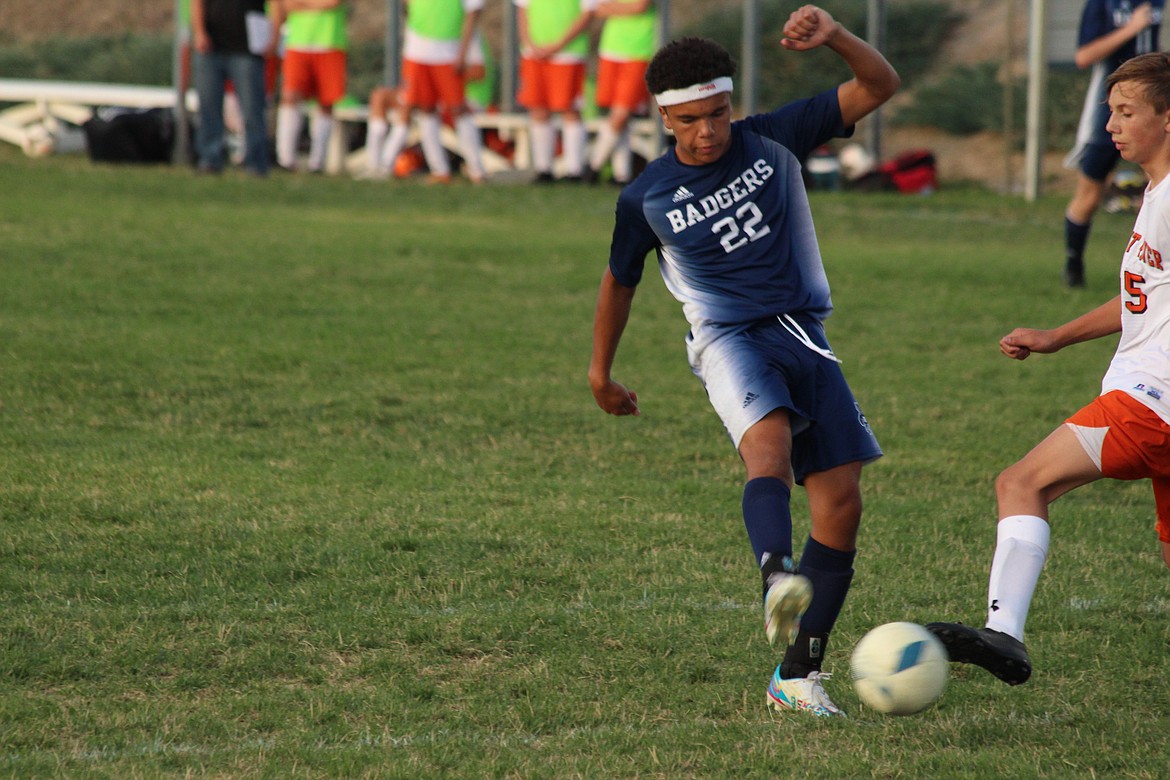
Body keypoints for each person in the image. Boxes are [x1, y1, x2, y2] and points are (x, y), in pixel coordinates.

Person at [588, 6, 898, 717]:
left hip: (806, 337)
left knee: (842, 503)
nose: (709, 131)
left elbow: (878, 85)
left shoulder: (774, 140)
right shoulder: (646, 199)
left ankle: (796, 678)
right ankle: (774, 574)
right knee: (768, 449)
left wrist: (837, 39)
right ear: (665, 118)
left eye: (719, 113)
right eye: (692, 119)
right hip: (730, 338)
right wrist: (600, 372)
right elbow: (619, 282)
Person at [928, 52, 1170, 685]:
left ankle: (1004, 635)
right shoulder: (1154, 191)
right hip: (1155, 405)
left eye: (1127, 112)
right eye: (1109, 112)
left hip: (1148, 405)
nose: (1112, 126)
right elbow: (1144, 294)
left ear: (1169, 119)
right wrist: (1057, 336)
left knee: (1021, 484)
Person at [1061, 0, 1162, 288]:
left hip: (1152, 108)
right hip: (1110, 106)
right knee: (1089, 191)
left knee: (1160, 186)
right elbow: (1084, 56)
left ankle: (1154, 265)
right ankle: (1073, 264)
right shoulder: (1101, 4)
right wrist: (1132, 27)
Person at [360, 0, 487, 183]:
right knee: (424, 108)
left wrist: (462, 53)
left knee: (457, 108)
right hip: (418, 50)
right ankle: (438, 170)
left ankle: (477, 170)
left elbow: (473, 13)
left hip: (448, 49)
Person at [514, 0, 598, 182]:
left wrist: (558, 44)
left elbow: (588, 13)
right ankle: (544, 169)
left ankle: (574, 170)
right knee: (538, 108)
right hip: (533, 53)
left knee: (570, 109)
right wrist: (529, 43)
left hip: (568, 53)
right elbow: (522, 10)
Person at [190, 0, 274, 176]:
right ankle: (210, 159)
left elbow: (276, 4)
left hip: (247, 48)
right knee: (209, 108)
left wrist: (272, 38)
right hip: (212, 46)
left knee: (252, 109)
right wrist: (199, 32)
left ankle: (255, 163)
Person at [584, 0, 657, 186]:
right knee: (619, 116)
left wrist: (612, 8)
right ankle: (621, 174)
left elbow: (639, 6)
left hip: (637, 50)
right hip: (611, 48)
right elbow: (597, 9)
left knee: (621, 113)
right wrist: (621, 9)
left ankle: (593, 166)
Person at [271, 0, 349, 173]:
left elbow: (333, 3)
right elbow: (287, 6)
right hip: (298, 41)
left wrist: (303, 5)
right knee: (290, 96)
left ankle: (317, 163)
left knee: (326, 102)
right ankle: (286, 159)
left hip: (330, 41)